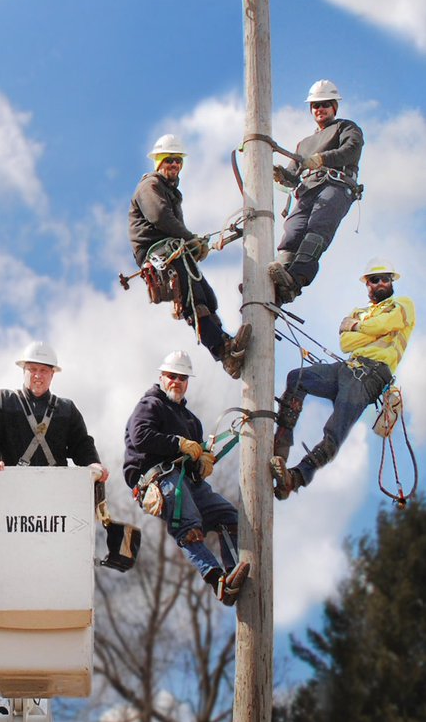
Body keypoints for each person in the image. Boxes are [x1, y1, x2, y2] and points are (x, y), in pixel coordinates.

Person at [270, 259, 415, 499]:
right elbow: (346, 342)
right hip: (347, 367)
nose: (380, 283)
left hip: (371, 376)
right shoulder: (360, 312)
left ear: (391, 282)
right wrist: (371, 328)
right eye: (374, 279)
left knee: (335, 430)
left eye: (385, 278)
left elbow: (389, 322)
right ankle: (280, 447)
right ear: (367, 285)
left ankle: (295, 478)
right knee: (297, 378)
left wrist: (359, 327)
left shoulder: (402, 305)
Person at [123, 350, 248, 605]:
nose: (176, 382)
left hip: (186, 481)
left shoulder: (192, 421)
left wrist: (201, 463)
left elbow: (191, 465)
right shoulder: (151, 405)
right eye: (172, 376)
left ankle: (234, 571)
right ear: (162, 377)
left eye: (182, 378)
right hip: (158, 477)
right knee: (188, 523)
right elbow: (141, 437)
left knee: (229, 517)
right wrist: (178, 443)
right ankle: (217, 581)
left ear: (187, 382)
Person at [128, 134, 250, 378]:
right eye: (169, 160)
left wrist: (194, 245)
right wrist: (191, 239)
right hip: (157, 253)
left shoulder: (170, 191)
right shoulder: (150, 186)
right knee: (192, 301)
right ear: (159, 162)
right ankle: (223, 351)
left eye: (178, 161)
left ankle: (226, 347)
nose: (174, 165)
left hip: (172, 251)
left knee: (207, 298)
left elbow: (174, 226)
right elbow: (160, 217)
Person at [269, 80, 364, 305]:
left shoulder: (346, 128)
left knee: (317, 228)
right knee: (292, 231)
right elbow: (293, 175)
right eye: (315, 106)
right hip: (308, 190)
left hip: (336, 186)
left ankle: (296, 279)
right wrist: (280, 174)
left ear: (334, 107)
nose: (319, 109)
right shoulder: (304, 144)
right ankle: (278, 278)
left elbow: (350, 151)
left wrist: (322, 159)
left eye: (325, 105)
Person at [0, 340, 109, 480]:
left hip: (54, 488)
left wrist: (92, 463)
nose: (38, 375)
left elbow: (82, 444)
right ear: (23, 370)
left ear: (52, 374)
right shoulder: (3, 400)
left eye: (43, 370)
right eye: (32, 369)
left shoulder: (66, 409)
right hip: (10, 485)